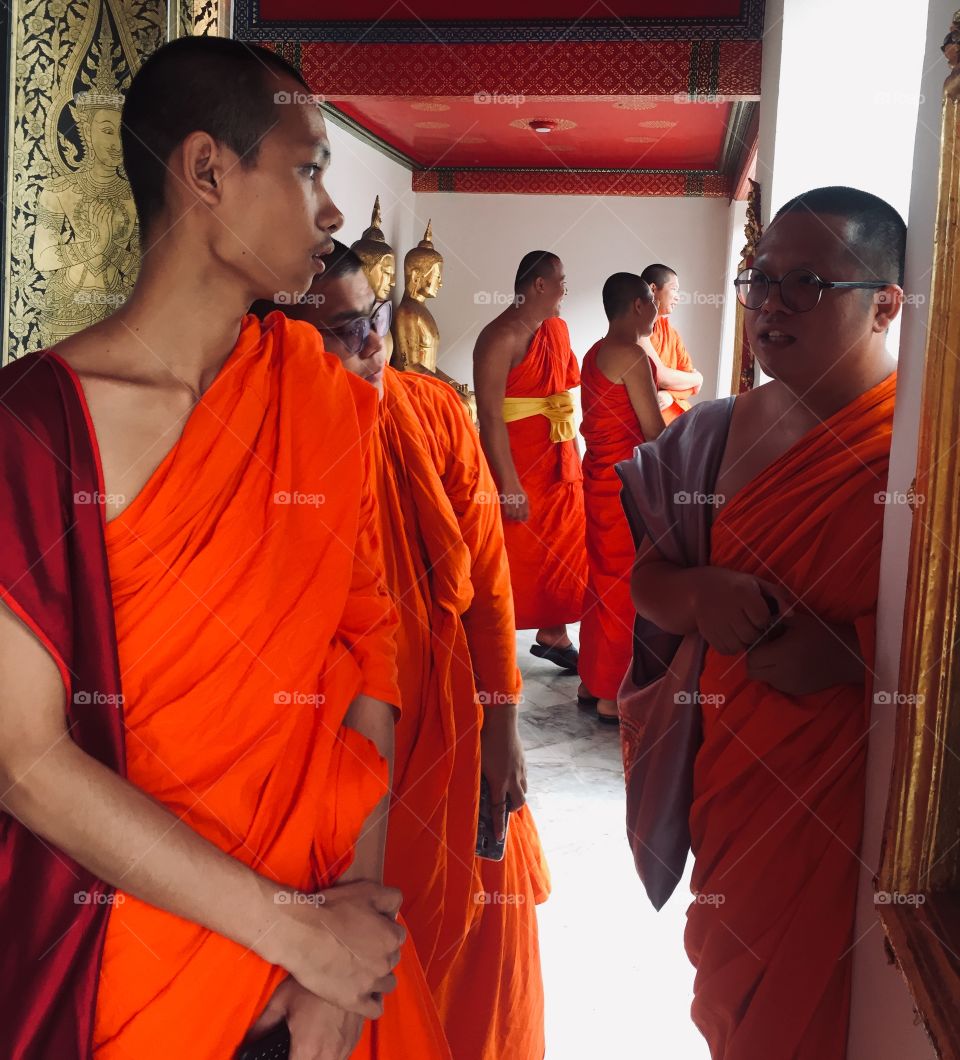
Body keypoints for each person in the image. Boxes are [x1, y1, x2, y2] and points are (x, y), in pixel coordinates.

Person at [0, 36, 449, 1060]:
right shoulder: (34, 427)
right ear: (206, 171)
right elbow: (24, 760)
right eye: (306, 169)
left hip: (327, 963)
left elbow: (368, 658)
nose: (332, 211)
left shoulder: (323, 401)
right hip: (131, 965)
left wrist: (345, 961)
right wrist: (300, 935)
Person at [622, 186, 905, 1058]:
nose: (772, 304)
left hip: (866, 813)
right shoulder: (706, 439)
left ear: (886, 305)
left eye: (808, 283)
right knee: (742, 1004)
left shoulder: (923, 444)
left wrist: (856, 657)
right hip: (739, 794)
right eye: (761, 281)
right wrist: (700, 593)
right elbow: (649, 586)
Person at [265, 241, 550, 1060]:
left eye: (377, 318)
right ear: (278, 337)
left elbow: (489, 581)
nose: (372, 344)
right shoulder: (264, 432)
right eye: (342, 328)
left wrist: (504, 724)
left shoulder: (429, 411)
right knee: (354, 944)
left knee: (458, 930)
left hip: (448, 715)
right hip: (331, 743)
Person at [473, 251, 588, 671]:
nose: (565, 290)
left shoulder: (555, 329)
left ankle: (554, 632)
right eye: (561, 281)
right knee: (507, 551)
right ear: (539, 285)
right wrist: (508, 483)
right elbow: (489, 415)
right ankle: (489, 638)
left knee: (564, 546)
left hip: (558, 456)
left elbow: (562, 388)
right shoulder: (498, 336)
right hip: (518, 464)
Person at [578, 274, 664, 722]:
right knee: (623, 586)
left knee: (601, 579)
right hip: (624, 487)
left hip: (598, 478)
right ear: (636, 305)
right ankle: (613, 692)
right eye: (652, 300)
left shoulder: (594, 353)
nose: (656, 310)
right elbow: (653, 432)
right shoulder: (631, 356)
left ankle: (592, 680)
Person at [639, 263, 703, 423]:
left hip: (676, 421)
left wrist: (670, 394)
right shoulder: (636, 330)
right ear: (653, 289)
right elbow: (660, 376)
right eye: (674, 288)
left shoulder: (671, 334)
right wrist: (698, 378)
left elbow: (689, 383)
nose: (678, 296)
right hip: (644, 421)